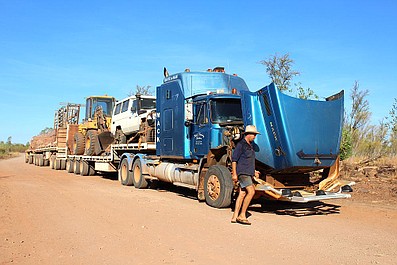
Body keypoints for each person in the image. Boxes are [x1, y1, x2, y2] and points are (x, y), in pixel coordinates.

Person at [231, 125, 260, 225]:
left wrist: (254, 171)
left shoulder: (250, 146)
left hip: (248, 172)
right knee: (251, 191)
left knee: (242, 193)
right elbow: (234, 160)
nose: (255, 137)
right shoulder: (241, 145)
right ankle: (242, 215)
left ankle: (234, 216)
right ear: (248, 134)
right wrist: (234, 174)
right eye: (254, 135)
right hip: (243, 173)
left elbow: (248, 161)